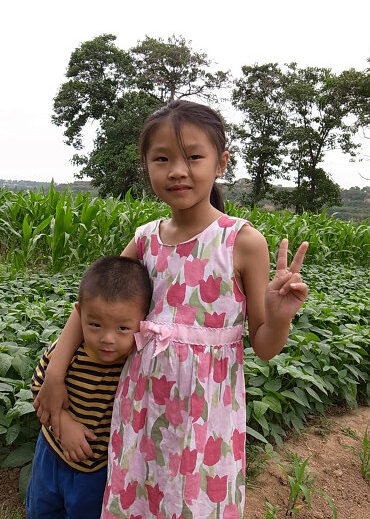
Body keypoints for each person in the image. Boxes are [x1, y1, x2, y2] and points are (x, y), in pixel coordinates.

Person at [34, 100, 309, 519]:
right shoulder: (145, 240)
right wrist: (55, 374)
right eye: (162, 159)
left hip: (204, 420)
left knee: (193, 502)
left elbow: (264, 346)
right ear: (147, 167)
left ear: (221, 163)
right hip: (140, 413)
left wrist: (280, 316)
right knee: (137, 501)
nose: (177, 170)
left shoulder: (241, 242)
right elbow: (90, 306)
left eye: (194, 156)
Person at [26, 255, 152, 519]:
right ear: (79, 314)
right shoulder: (68, 353)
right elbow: (40, 389)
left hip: (97, 473)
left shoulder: (132, 366)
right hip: (51, 455)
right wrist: (64, 424)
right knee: (41, 511)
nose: (107, 338)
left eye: (122, 328)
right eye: (95, 325)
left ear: (142, 323)